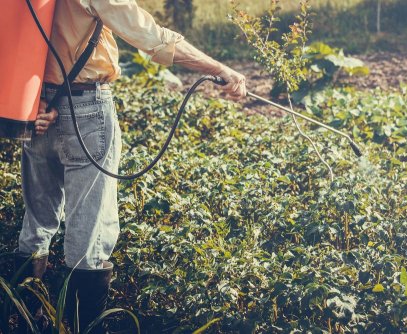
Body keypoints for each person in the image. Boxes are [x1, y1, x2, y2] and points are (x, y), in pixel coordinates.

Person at [16, 0, 246, 333]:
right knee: (90, 230)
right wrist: (217, 69)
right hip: (85, 110)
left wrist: (31, 100)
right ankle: (83, 327)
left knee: (36, 222)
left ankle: (20, 317)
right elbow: (152, 36)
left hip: (34, 107)